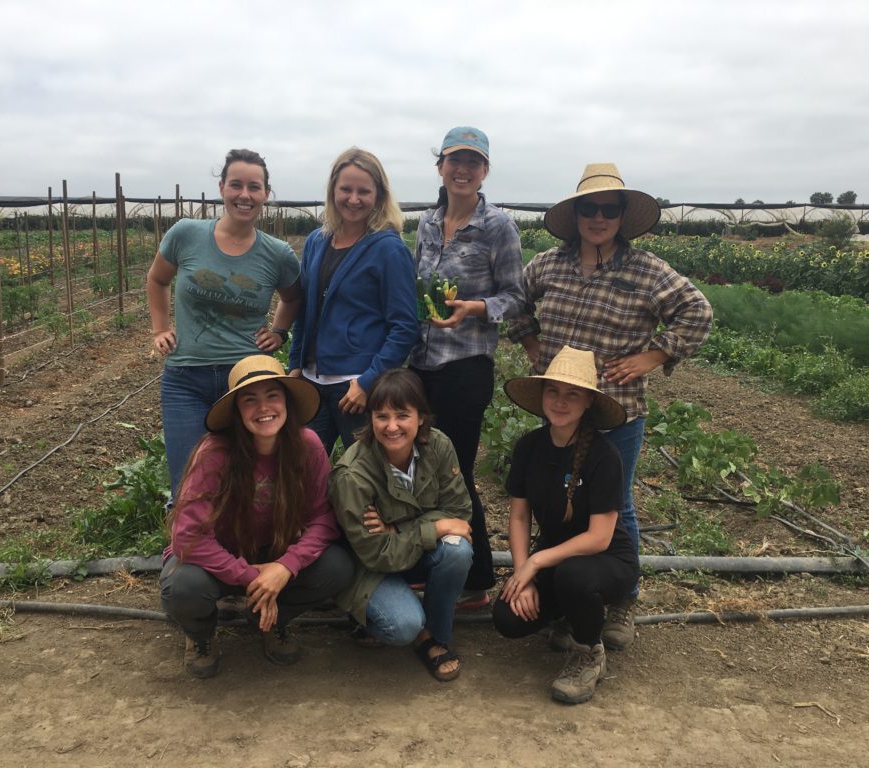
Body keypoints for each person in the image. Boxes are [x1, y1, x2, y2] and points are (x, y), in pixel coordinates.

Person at [507, 162, 712, 649]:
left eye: (609, 209)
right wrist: (531, 345)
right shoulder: (548, 264)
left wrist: (653, 355)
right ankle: (571, 594)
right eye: (589, 208)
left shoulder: (645, 270)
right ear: (576, 213)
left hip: (615, 405)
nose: (598, 217)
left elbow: (698, 311)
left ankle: (622, 599)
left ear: (622, 216)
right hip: (559, 402)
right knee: (560, 501)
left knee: (615, 507)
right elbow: (515, 300)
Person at [160, 355, 354, 678]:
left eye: (272, 396)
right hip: (217, 561)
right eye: (250, 400)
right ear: (236, 412)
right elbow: (187, 537)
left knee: (338, 566)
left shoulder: (307, 446)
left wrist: (284, 566)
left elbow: (323, 519)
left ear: (287, 403)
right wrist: (250, 575)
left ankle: (268, 619)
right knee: (183, 586)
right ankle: (200, 634)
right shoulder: (215, 453)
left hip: (274, 551)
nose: (263, 408)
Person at [408, 126, 525, 607]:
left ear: (485, 172)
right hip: (421, 363)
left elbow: (517, 299)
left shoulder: (498, 226)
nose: (462, 169)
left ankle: (476, 580)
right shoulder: (426, 223)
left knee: (454, 471)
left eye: (473, 162)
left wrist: (473, 308)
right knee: (419, 467)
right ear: (440, 166)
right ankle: (433, 562)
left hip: (466, 366)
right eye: (454, 159)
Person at [147, 149, 302, 499]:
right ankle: (186, 548)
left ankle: (247, 549)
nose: (244, 195)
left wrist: (279, 332)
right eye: (236, 185)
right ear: (221, 188)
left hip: (247, 380)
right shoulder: (186, 234)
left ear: (266, 194)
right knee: (189, 481)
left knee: (248, 480)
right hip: (186, 378)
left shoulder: (277, 254)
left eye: (254, 187)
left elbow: (294, 298)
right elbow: (157, 279)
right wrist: (160, 328)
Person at [493, 345, 638, 704]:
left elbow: (600, 537)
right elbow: (520, 515)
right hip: (557, 561)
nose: (561, 401)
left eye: (573, 394)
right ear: (542, 394)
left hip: (608, 561)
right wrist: (521, 571)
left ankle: (590, 653)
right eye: (553, 391)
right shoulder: (529, 446)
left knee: (574, 576)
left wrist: (536, 562)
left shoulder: (604, 456)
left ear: (588, 401)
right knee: (507, 619)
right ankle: (573, 616)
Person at [328, 368, 473, 682]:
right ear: (370, 420)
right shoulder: (353, 475)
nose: (391, 426)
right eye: (381, 416)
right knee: (402, 626)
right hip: (369, 567)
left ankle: (435, 636)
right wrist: (432, 527)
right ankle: (396, 625)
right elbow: (374, 554)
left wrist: (400, 528)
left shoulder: (438, 445)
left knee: (458, 551)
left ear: (421, 417)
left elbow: (459, 513)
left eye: (402, 415)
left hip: (406, 550)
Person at [288, 148, 419, 455]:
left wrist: (368, 381)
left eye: (364, 191)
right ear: (333, 190)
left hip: (356, 387)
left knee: (363, 478)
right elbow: (304, 309)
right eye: (346, 189)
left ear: (379, 195)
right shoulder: (316, 241)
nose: (354, 199)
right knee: (304, 471)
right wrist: (295, 364)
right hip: (311, 383)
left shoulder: (388, 249)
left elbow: (404, 326)